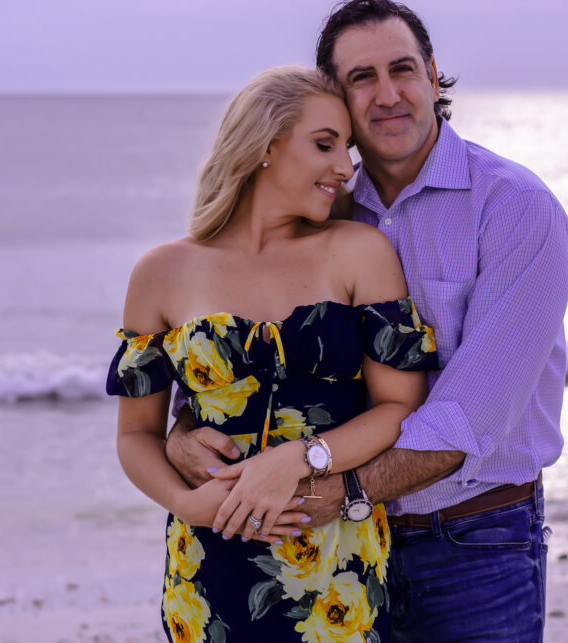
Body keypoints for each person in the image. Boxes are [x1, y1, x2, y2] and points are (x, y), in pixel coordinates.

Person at [165, 0, 568, 642]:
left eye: (403, 69)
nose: (388, 94)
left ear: (433, 75)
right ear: (336, 97)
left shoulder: (516, 209)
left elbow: (471, 416)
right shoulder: (319, 208)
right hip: (337, 549)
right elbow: (248, 361)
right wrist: (183, 434)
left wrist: (341, 487)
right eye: (362, 77)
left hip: (472, 540)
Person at [105, 66, 438, 641]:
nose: (346, 168)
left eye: (348, 149)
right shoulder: (161, 272)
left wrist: (303, 458)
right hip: (208, 564)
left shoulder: (359, 252)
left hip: (337, 566)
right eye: (325, 145)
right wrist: (190, 505)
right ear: (264, 145)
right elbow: (136, 435)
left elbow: (398, 408)